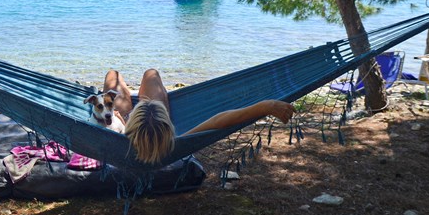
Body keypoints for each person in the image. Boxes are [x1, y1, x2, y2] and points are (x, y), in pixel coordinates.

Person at [103, 69, 295, 164]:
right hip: (145, 126)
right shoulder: (174, 144)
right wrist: (265, 106)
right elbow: (220, 120)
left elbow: (220, 120)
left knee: (113, 75)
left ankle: (133, 107)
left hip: (127, 124)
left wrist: (119, 122)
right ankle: (145, 105)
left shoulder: (121, 140)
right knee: (151, 73)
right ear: (168, 126)